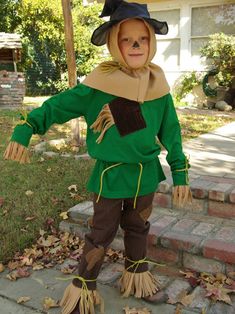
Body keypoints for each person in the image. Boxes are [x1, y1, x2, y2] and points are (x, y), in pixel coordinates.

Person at [4, 1, 192, 313]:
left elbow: (171, 131)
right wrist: (28, 127)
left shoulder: (159, 86)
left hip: (146, 174)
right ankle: (84, 289)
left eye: (142, 39)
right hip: (110, 176)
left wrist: (180, 171)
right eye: (127, 39)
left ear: (152, 43)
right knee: (100, 234)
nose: (135, 45)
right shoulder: (99, 85)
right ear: (114, 43)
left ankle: (137, 277)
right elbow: (59, 105)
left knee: (138, 228)